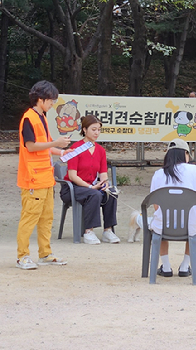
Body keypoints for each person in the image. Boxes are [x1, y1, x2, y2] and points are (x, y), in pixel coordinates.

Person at [16, 80, 70, 270]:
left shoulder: (42, 117)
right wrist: (56, 143)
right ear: (41, 99)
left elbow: (45, 145)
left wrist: (61, 151)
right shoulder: (29, 118)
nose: (53, 103)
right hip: (33, 177)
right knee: (29, 217)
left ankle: (45, 253)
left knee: (46, 218)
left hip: (46, 177)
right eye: (51, 100)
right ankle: (22, 256)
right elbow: (31, 146)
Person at [149, 138, 196, 278]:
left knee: (159, 221)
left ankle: (166, 266)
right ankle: (184, 266)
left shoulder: (158, 173)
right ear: (185, 154)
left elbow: (155, 205)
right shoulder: (194, 170)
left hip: (164, 226)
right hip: (189, 225)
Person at [63, 114, 120, 245]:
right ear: (84, 129)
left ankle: (108, 230)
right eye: (93, 129)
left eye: (99, 130)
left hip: (92, 185)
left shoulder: (100, 150)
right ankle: (89, 231)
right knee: (94, 194)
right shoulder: (76, 148)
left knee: (111, 192)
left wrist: (104, 183)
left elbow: (103, 172)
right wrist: (89, 187)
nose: (97, 133)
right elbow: (72, 176)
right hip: (73, 187)